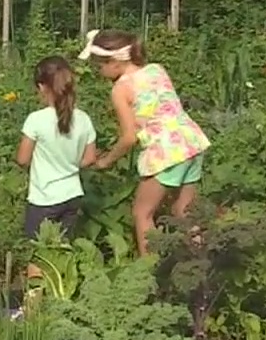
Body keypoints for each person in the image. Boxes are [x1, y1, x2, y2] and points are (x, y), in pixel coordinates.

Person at [79, 29, 210, 256]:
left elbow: (129, 137)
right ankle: (201, 261)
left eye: (99, 65)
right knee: (184, 210)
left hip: (165, 151)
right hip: (191, 142)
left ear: (115, 62)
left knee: (142, 213)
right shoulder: (156, 69)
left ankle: (149, 269)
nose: (98, 71)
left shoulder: (120, 89)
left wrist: (105, 161)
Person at [15, 56, 97, 241]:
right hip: (73, 195)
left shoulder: (36, 119)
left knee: (38, 251)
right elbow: (90, 159)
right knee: (62, 248)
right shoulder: (83, 118)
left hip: (44, 198)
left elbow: (22, 159)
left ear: (42, 87)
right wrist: (69, 165)